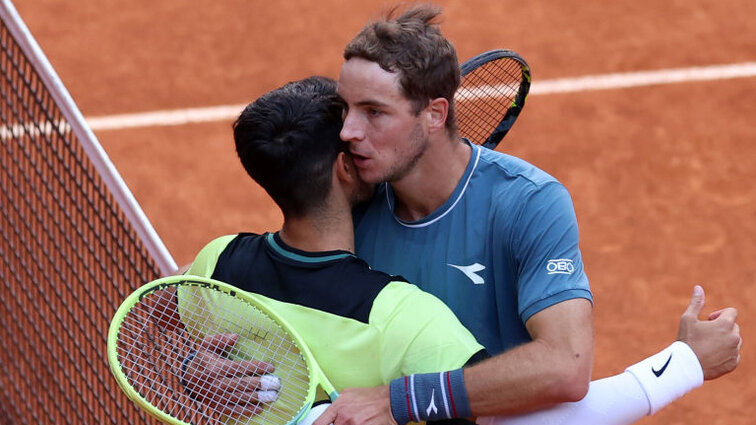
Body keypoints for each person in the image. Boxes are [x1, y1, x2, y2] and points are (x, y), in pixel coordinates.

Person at [183, 76, 741, 425]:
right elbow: (547, 416)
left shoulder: (216, 264)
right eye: (356, 132)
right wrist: (683, 365)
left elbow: (153, 315)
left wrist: (187, 366)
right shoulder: (402, 318)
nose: (365, 133)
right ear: (346, 165)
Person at [312, 4, 742, 425]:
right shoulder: (349, 202)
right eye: (345, 109)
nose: (348, 131)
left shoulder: (529, 203)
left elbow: (565, 365)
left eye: (374, 112)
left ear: (435, 114)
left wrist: (400, 401)